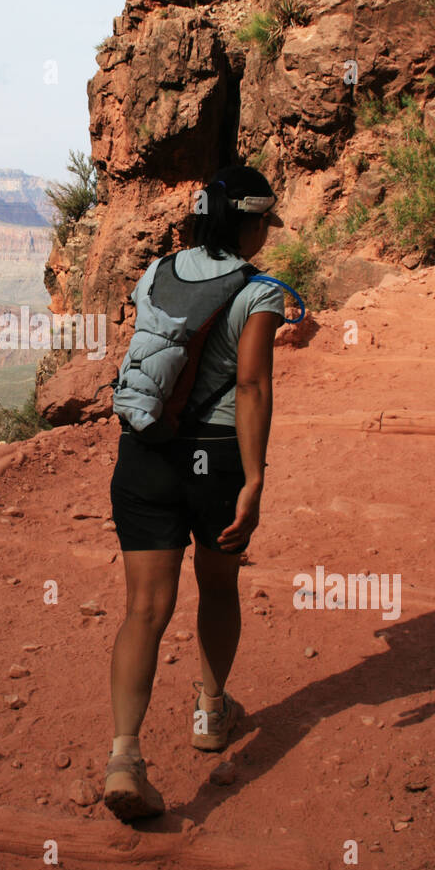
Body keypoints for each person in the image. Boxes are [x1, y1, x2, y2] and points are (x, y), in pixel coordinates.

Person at [103, 165, 287, 822]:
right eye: (264, 220)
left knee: (144, 610)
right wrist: (256, 479)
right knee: (217, 585)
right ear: (248, 222)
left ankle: (124, 755)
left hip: (145, 450)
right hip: (214, 457)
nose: (268, 231)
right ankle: (211, 711)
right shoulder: (260, 293)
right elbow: (252, 388)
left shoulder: (156, 272)